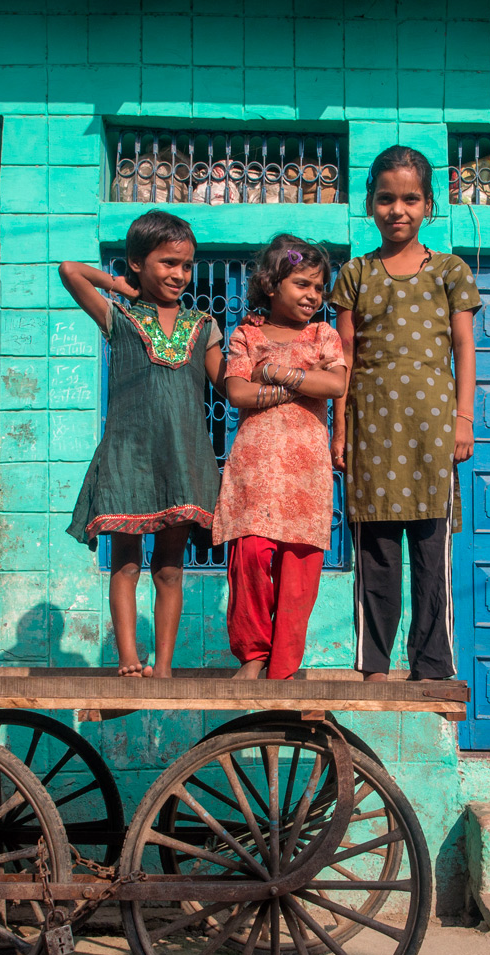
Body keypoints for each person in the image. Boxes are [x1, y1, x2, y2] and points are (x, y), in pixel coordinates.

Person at [329, 146, 482, 682]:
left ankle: (431, 664)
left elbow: (464, 347)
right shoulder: (355, 274)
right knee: (375, 553)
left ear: (429, 205)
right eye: (386, 198)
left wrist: (464, 419)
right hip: (371, 428)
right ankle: (373, 663)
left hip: (431, 430)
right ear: (370, 204)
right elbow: (343, 357)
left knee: (430, 551)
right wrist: (340, 429)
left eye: (410, 198)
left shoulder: (449, 271)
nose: (398, 209)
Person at [59, 210, 224, 678]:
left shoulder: (203, 324)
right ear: (136, 261)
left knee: (170, 567)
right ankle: (129, 660)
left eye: (187, 266)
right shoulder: (120, 317)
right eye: (168, 263)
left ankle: (166, 665)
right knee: (127, 564)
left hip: (183, 455)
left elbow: (227, 385)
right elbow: (71, 271)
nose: (179, 275)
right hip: (129, 455)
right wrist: (121, 286)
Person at [214, 235, 347, 679]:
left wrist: (273, 372)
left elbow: (335, 386)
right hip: (255, 465)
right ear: (272, 284)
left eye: (319, 288)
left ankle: (283, 668)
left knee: (299, 572)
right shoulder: (246, 334)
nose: (313, 296)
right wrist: (300, 382)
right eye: (302, 285)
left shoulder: (323, 335)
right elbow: (236, 392)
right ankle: (253, 655)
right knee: (250, 553)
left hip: (306, 468)